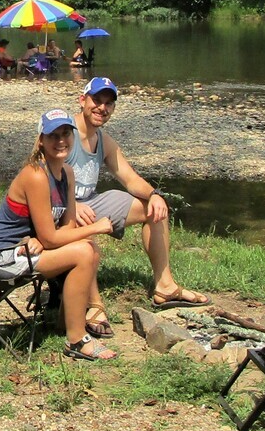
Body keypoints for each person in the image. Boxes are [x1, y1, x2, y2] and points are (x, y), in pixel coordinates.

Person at [0, 109, 118, 360]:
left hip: (25, 250)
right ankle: (77, 340)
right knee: (84, 250)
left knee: (89, 247)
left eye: (66, 133)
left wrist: (43, 239)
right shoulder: (36, 175)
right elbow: (52, 238)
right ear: (41, 140)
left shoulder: (67, 173)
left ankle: (68, 325)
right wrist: (94, 227)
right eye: (53, 136)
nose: (61, 141)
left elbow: (68, 228)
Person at [66, 76, 210, 336]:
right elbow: (40, 178)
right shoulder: (65, 133)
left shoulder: (104, 141)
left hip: (89, 202)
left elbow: (130, 179)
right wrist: (72, 205)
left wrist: (155, 194)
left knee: (153, 209)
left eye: (108, 103)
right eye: (96, 100)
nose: (102, 108)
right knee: (85, 231)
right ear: (82, 100)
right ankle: (93, 305)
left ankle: (165, 286)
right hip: (59, 207)